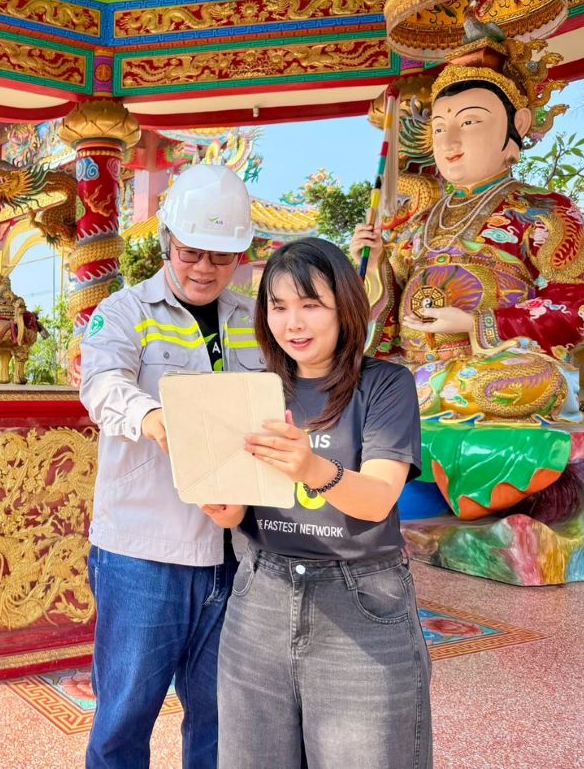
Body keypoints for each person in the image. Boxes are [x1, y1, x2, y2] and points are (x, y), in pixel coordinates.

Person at [203, 238, 431, 769]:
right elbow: (241, 509)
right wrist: (221, 507)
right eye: (278, 307)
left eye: (311, 304)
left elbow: (378, 499)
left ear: (344, 306)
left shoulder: (385, 385)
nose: (293, 323)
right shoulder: (256, 390)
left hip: (360, 601)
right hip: (260, 596)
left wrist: (311, 468)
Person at [80, 163, 263, 768]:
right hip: (144, 551)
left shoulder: (256, 320)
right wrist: (153, 416)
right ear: (166, 242)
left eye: (222, 256)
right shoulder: (124, 311)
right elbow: (101, 385)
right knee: (124, 717)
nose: (205, 268)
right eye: (191, 253)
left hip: (234, 551)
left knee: (220, 718)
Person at [350, 40, 584, 423]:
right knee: (355, 377)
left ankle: (425, 395)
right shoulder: (418, 221)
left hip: (493, 365)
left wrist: (474, 324)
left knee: (529, 381)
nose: (450, 142)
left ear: (518, 125)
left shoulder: (544, 210)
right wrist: (377, 262)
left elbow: (571, 307)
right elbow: (384, 324)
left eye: (469, 122)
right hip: (414, 368)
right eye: (439, 128)